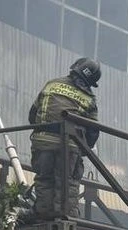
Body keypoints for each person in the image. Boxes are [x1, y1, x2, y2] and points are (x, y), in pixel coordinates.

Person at [28, 57, 101, 221]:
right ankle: (67, 218)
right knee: (68, 183)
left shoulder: (51, 84)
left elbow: (32, 115)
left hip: (42, 143)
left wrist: (43, 131)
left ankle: (42, 215)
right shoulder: (89, 99)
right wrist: (84, 148)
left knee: (44, 179)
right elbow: (93, 132)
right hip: (70, 147)